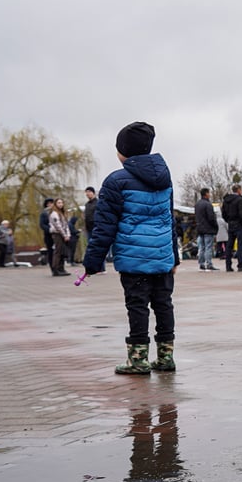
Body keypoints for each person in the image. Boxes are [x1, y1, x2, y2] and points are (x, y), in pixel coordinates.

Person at [82, 121, 178, 375]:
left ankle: (138, 360)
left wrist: (93, 262)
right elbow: (170, 221)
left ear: (123, 151)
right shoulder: (165, 178)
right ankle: (166, 358)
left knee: (137, 306)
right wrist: (175, 257)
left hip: (134, 260)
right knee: (163, 304)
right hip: (162, 257)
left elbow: (105, 227)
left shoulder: (116, 182)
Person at [221, 184, 242, 272]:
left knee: (229, 245)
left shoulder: (226, 200)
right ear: (239, 190)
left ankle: (228, 265)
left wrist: (229, 220)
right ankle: (240, 265)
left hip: (231, 224)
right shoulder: (240, 199)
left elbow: (223, 214)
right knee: (241, 245)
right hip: (239, 224)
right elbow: (241, 213)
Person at [193, 188, 218, 271]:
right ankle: (209, 263)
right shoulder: (208, 204)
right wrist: (215, 226)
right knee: (208, 247)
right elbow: (211, 218)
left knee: (202, 247)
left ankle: (201, 263)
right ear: (206, 194)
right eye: (209, 193)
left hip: (200, 229)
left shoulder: (197, 204)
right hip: (208, 229)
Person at [47, 198, 72, 276]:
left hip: (63, 234)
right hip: (57, 234)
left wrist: (68, 234)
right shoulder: (54, 213)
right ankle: (55, 269)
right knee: (58, 251)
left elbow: (65, 225)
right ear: (55, 204)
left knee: (63, 252)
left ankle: (61, 268)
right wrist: (64, 235)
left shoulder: (62, 213)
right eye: (59, 203)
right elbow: (58, 226)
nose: (60, 204)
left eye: (61, 203)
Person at [39, 198, 55, 274]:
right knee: (51, 251)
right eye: (48, 203)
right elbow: (42, 224)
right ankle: (53, 268)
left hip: (58, 234)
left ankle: (59, 267)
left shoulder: (56, 212)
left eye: (51, 203)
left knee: (58, 251)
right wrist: (49, 229)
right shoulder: (44, 213)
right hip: (49, 235)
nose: (50, 205)